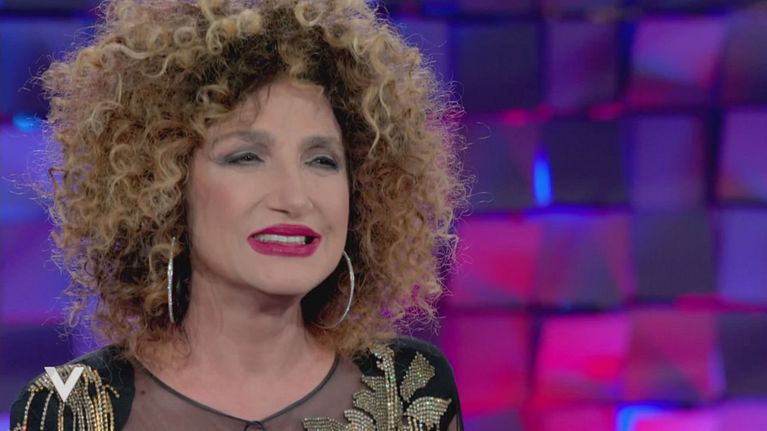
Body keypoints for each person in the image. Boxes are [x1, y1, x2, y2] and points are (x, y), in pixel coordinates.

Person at [10, 0, 468, 430]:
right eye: (246, 157)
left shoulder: (410, 388)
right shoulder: (69, 410)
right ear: (165, 187)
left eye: (322, 160)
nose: (295, 197)